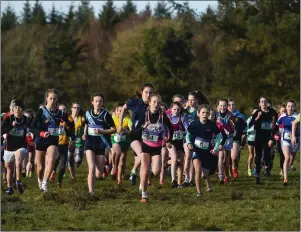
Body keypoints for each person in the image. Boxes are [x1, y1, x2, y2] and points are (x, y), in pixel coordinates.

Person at [31, 89, 75, 192]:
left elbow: (71, 124)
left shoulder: (61, 113)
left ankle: (45, 183)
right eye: (50, 98)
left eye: (54, 99)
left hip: (53, 140)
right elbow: (32, 127)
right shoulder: (41, 111)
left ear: (57, 100)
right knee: (40, 167)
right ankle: (40, 179)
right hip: (41, 140)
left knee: (51, 159)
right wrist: (42, 133)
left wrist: (68, 132)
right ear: (46, 99)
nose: (52, 100)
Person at [133, 94, 173, 203]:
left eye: (158, 103)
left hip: (157, 147)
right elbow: (134, 131)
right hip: (145, 145)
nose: (156, 104)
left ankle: (148, 172)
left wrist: (168, 140)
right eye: (154, 102)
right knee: (145, 170)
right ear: (149, 103)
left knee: (156, 171)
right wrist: (142, 127)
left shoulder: (163, 117)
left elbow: (170, 130)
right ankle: (144, 195)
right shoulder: (143, 115)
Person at [118, 83, 154, 185]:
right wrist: (120, 124)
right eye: (146, 92)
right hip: (135, 135)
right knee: (143, 157)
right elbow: (124, 108)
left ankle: (133, 172)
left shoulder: (153, 104)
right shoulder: (134, 102)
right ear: (142, 92)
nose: (148, 95)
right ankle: (144, 184)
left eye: (150, 93)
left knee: (142, 158)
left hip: (147, 136)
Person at [186, 105, 226, 196]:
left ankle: (208, 184)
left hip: (207, 152)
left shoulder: (211, 125)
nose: (205, 114)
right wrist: (188, 143)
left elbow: (218, 136)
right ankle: (199, 192)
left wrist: (216, 148)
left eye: (207, 113)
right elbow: (188, 135)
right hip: (196, 150)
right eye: (203, 112)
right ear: (198, 113)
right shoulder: (194, 124)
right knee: (198, 169)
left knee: (204, 175)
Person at [82, 92, 116, 195]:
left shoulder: (106, 115)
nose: (98, 103)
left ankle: (102, 169)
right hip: (90, 143)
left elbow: (113, 129)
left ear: (103, 103)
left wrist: (102, 132)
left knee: (99, 173)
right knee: (91, 167)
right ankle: (91, 192)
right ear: (92, 102)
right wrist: (84, 134)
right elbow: (87, 125)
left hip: (101, 144)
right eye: (96, 101)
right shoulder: (87, 113)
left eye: (100, 101)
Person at [1, 100, 31, 195]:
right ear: (13, 109)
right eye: (16, 107)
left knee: (18, 161)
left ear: (22, 110)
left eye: (19, 108)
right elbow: (2, 131)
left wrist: (31, 132)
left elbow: (33, 128)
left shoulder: (26, 120)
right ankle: (10, 187)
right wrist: (11, 126)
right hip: (9, 147)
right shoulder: (9, 119)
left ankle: (18, 182)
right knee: (9, 169)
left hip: (21, 146)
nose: (17, 109)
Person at [249, 97, 278, 184]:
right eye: (262, 101)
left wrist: (272, 138)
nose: (264, 103)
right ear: (259, 104)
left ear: (268, 103)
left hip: (268, 137)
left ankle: (266, 167)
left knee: (267, 155)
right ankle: (257, 175)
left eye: (265, 101)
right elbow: (251, 124)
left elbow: (275, 126)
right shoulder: (257, 112)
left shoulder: (273, 112)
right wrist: (257, 117)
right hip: (259, 137)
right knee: (258, 157)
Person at [276, 100, 299, 186]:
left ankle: (288, 168)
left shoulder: (297, 117)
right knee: (287, 157)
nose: (290, 108)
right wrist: (277, 133)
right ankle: (285, 179)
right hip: (285, 139)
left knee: (292, 156)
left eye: (292, 106)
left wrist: (294, 134)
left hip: (295, 140)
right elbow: (276, 126)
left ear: (295, 108)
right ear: (286, 107)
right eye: (289, 106)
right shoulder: (282, 116)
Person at [110, 103, 132, 185]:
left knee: (122, 161)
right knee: (117, 152)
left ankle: (119, 179)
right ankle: (114, 167)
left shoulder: (128, 120)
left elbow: (131, 131)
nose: (120, 112)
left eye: (122, 111)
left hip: (125, 141)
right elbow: (109, 128)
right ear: (115, 112)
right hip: (114, 139)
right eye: (119, 111)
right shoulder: (113, 118)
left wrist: (125, 130)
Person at [166, 102, 186, 188]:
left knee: (180, 163)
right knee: (174, 159)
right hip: (171, 142)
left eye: (178, 109)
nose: (176, 111)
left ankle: (179, 183)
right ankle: (173, 180)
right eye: (174, 109)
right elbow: (163, 129)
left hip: (181, 142)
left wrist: (184, 132)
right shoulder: (168, 118)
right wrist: (166, 140)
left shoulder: (183, 118)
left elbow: (188, 130)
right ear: (171, 109)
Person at [216, 99, 235, 184]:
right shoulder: (216, 115)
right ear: (218, 106)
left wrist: (222, 124)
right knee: (221, 156)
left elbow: (231, 130)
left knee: (226, 159)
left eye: (224, 105)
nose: (223, 107)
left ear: (227, 106)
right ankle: (221, 176)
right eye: (221, 105)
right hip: (219, 138)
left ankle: (226, 175)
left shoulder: (230, 115)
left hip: (228, 138)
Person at [228, 99, 246, 179]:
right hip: (226, 138)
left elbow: (244, 128)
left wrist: (243, 136)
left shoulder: (240, 116)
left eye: (233, 105)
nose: (231, 106)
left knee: (234, 158)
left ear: (235, 106)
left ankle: (234, 168)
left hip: (236, 138)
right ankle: (228, 173)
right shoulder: (224, 115)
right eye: (229, 105)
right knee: (227, 158)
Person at [67, 102, 85, 181]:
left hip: (79, 142)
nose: (76, 109)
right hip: (69, 141)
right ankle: (73, 177)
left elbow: (87, 126)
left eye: (78, 108)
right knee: (69, 159)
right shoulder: (67, 118)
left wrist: (85, 133)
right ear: (71, 109)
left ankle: (77, 162)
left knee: (77, 160)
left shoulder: (82, 118)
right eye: (74, 107)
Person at [246, 107, 258, 176]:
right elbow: (246, 128)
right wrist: (251, 130)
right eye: (254, 112)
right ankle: (249, 168)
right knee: (251, 155)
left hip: (257, 139)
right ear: (252, 113)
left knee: (256, 155)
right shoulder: (249, 119)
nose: (255, 114)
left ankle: (256, 169)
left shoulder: (260, 119)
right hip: (250, 138)